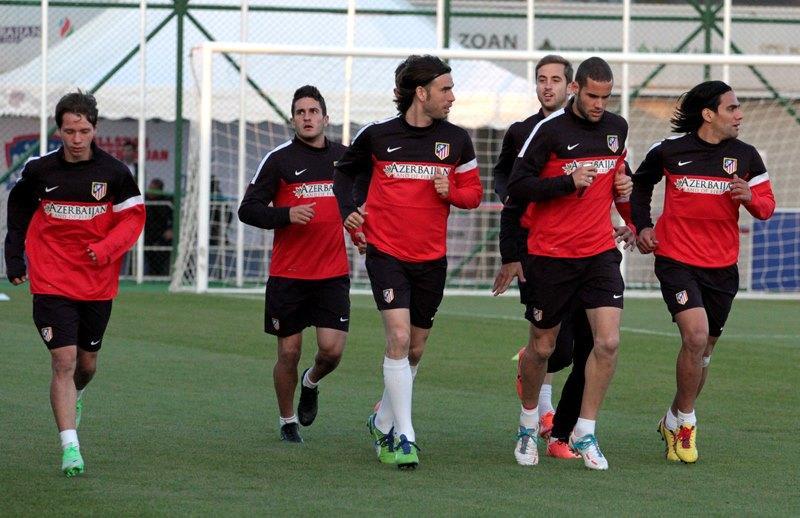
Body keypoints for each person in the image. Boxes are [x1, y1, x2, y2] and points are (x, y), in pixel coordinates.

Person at [334, 55, 482, 469]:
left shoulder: (457, 140)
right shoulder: (377, 135)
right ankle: (405, 435)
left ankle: (382, 420)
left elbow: (473, 195)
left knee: (414, 348)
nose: (452, 97)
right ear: (421, 93)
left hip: (432, 259)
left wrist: (451, 191)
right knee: (398, 338)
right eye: (445, 89)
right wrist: (349, 211)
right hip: (386, 253)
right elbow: (343, 175)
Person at [492, 54, 635, 460]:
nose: (599, 105)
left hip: (599, 252)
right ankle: (528, 424)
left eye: (606, 97)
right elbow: (518, 187)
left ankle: (584, 432)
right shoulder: (547, 130)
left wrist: (632, 213)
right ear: (576, 90)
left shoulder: (617, 128)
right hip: (550, 254)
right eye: (592, 96)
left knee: (607, 342)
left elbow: (619, 179)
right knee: (544, 348)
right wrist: (566, 182)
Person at [631, 80, 775, 464]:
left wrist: (751, 197)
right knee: (694, 336)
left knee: (704, 351)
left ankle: (672, 418)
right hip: (676, 260)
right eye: (732, 108)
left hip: (722, 268)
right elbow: (640, 186)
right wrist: (642, 226)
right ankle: (688, 423)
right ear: (708, 114)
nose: (740, 114)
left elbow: (767, 206)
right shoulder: (669, 150)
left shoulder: (746, 156)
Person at [4, 90, 146, 477]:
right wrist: (13, 256)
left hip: (97, 282)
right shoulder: (39, 171)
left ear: (95, 129)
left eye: (83, 131)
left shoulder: (115, 173)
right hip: (50, 279)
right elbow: (18, 209)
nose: (77, 139)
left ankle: (78, 393)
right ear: (59, 131)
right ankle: (70, 447)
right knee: (63, 361)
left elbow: (134, 218)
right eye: (69, 131)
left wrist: (106, 248)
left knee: (86, 364)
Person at [238, 85, 359, 444]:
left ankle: (312, 381)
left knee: (331, 352)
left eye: (313, 111)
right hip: (288, 275)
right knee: (288, 352)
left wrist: (361, 233)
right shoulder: (278, 160)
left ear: (325, 117)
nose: (307, 117)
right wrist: (286, 214)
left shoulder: (345, 158)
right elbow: (247, 210)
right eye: (300, 112)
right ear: (292, 119)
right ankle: (287, 420)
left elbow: (357, 205)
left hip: (332, 273)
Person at [144, 178, 173, 276]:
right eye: (150, 188)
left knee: (163, 252)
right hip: (147, 234)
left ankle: (163, 275)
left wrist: (171, 229)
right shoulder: (143, 200)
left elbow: (173, 218)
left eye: (153, 189)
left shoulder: (166, 202)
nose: (150, 191)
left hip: (162, 236)